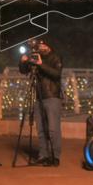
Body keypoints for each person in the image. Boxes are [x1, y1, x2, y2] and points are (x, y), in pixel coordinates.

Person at [19, 37, 63, 167]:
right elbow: (24, 71)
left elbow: (56, 74)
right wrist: (23, 62)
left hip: (52, 96)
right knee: (41, 129)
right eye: (39, 46)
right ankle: (43, 155)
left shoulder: (55, 57)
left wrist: (40, 64)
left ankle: (55, 157)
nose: (41, 47)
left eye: (43, 45)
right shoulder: (36, 56)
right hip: (38, 97)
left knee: (53, 129)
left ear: (49, 46)